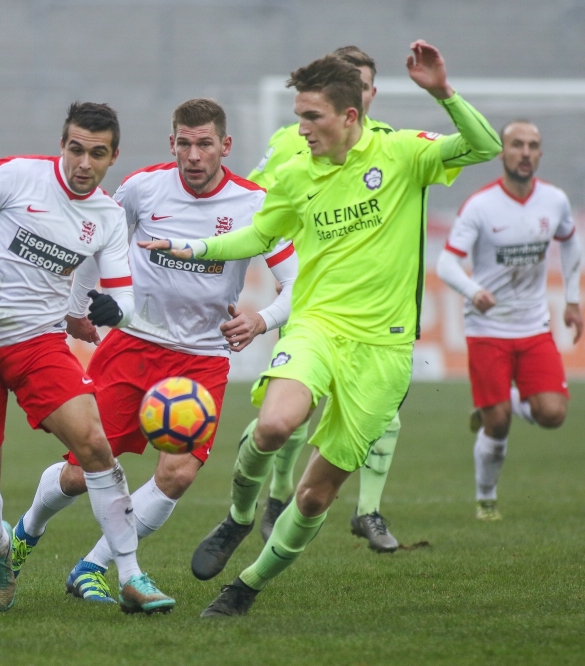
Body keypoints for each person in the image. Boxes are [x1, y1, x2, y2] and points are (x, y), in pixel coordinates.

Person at [144, 41, 501, 616]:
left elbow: (486, 146)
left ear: (349, 115)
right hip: (315, 326)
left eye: (311, 117)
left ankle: (246, 587)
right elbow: (258, 235)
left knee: (314, 495)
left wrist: (443, 93)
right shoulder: (293, 173)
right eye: (298, 116)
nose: (301, 128)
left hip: (383, 351)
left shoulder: (403, 153)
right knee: (273, 426)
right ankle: (237, 517)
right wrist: (195, 247)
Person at [7, 98, 298, 604]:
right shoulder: (143, 187)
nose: (194, 155)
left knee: (178, 473)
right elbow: (98, 242)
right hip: (134, 345)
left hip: (202, 358)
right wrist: (76, 308)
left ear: (225, 146)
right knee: (80, 473)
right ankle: (28, 529)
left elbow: (297, 282)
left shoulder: (254, 203)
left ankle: (93, 567)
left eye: (204, 144)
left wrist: (262, 319)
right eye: (184, 143)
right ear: (172, 143)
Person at [0, 102, 174, 614]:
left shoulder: (107, 216)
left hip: (38, 344)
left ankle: (130, 574)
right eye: (75, 149)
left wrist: (114, 310)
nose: (83, 163)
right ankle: (0, 547)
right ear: (62, 145)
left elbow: (123, 297)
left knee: (96, 446)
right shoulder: (18, 176)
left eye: (97, 154)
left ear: (113, 157)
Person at [240, 46, 405, 554]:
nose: (362, 92)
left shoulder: (393, 147)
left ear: (368, 95)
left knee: (383, 415)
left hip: (379, 310)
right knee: (290, 413)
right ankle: (277, 493)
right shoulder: (291, 142)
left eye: (367, 85)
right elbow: (254, 202)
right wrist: (282, 264)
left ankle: (368, 510)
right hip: (311, 302)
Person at [436, 120, 582, 521]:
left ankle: (507, 400)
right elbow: (446, 262)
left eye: (533, 145)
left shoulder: (554, 200)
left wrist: (572, 300)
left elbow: (571, 241)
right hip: (487, 327)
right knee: (497, 424)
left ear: (540, 153)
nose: (525, 152)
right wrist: (473, 291)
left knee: (553, 414)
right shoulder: (481, 206)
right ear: (502, 152)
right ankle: (486, 497)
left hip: (534, 325)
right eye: (517, 144)